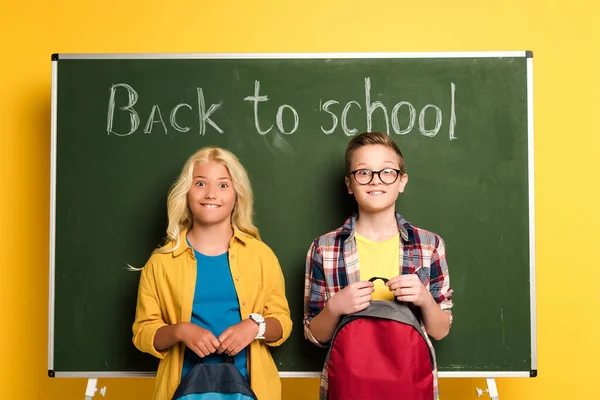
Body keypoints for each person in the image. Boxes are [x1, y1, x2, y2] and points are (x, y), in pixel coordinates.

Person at [133, 147, 292, 400]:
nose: (211, 194)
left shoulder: (261, 256)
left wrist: (254, 327)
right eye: (200, 183)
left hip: (252, 391)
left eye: (223, 185)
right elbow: (143, 333)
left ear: (237, 195)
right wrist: (180, 331)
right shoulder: (161, 262)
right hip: (180, 391)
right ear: (186, 192)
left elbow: (282, 324)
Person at [303, 132, 454, 400]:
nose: (375, 181)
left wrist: (423, 299)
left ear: (402, 181)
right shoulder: (325, 249)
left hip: (409, 384)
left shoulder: (428, 245)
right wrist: (336, 306)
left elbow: (440, 330)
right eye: (363, 173)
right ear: (349, 184)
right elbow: (315, 335)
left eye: (387, 172)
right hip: (350, 386)